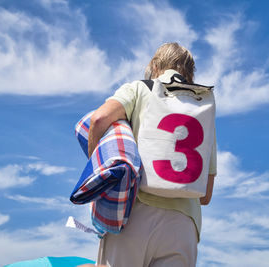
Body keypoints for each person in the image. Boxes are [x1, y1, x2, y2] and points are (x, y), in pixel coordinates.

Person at [88, 42, 217, 267]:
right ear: (190, 71)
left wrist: (98, 176)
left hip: (133, 214)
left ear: (154, 65)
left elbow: (99, 119)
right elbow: (205, 195)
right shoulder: (202, 111)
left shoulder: (140, 88)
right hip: (183, 226)